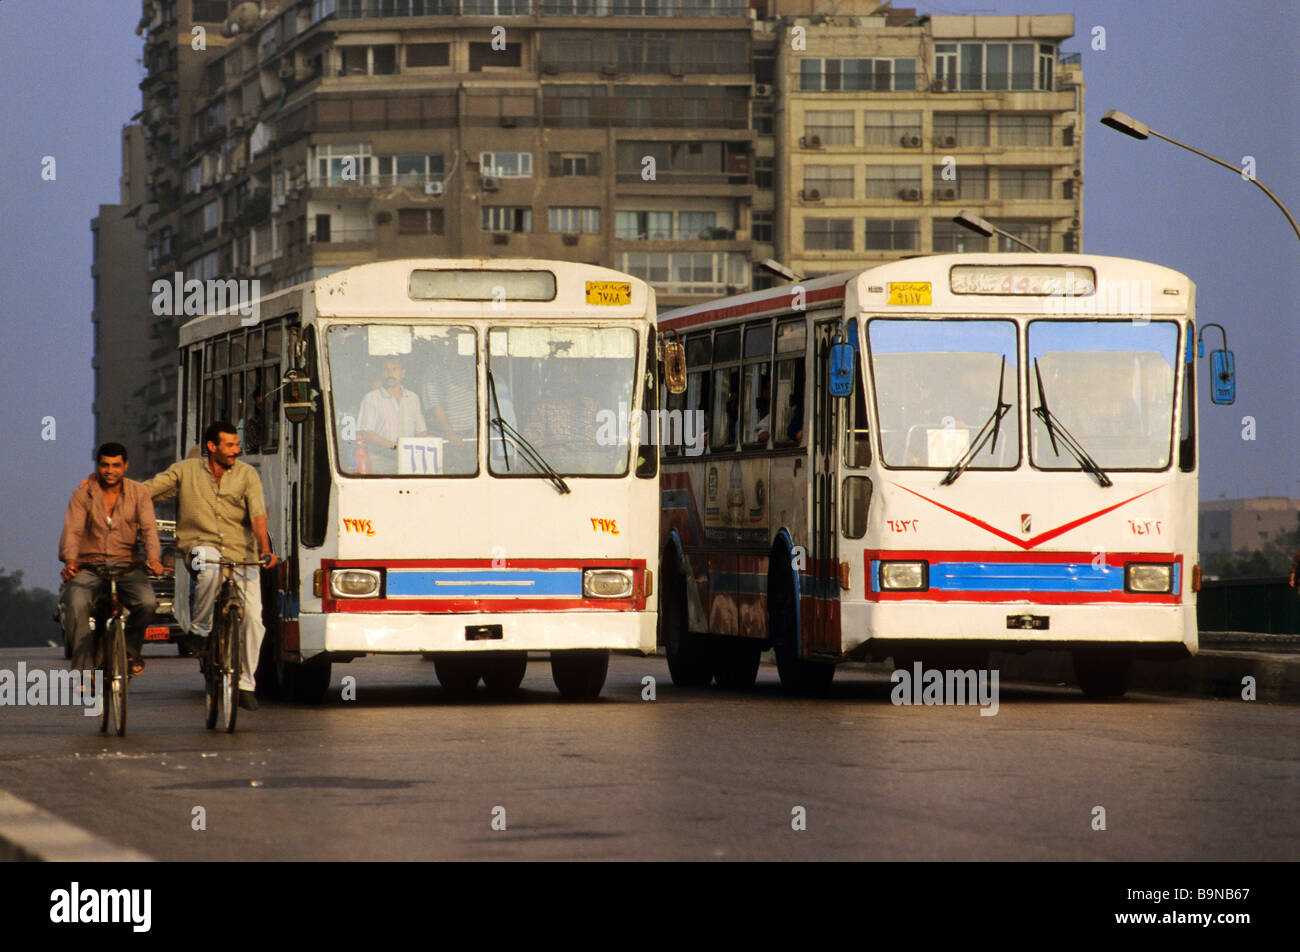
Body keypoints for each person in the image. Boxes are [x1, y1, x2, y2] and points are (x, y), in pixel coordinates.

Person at [144, 421, 278, 711]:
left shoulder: (247, 474)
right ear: (212, 447)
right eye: (229, 445)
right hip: (198, 548)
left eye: (236, 445)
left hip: (241, 553)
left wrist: (265, 550)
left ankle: (245, 683)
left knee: (255, 620)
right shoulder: (185, 471)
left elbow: (257, 516)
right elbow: (146, 491)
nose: (236, 450)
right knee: (209, 567)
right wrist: (107, 487)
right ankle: (201, 630)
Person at [59, 443, 162, 679]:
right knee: (75, 603)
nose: (110, 470)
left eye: (116, 465)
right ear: (98, 466)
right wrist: (70, 560)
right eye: (105, 465)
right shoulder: (82, 494)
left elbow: (149, 530)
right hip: (89, 566)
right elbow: (72, 530)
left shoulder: (139, 493)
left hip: (127, 565)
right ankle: (84, 670)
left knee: (147, 603)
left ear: (125, 466)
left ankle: (129, 651)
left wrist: (154, 559)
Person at [357, 356, 428, 473]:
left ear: (403, 373)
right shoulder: (371, 398)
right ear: (382, 373)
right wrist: (395, 447)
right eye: (386, 370)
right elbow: (367, 433)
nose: (390, 374)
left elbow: (421, 432)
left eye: (395, 369)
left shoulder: (413, 398)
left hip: (409, 463)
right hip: (380, 463)